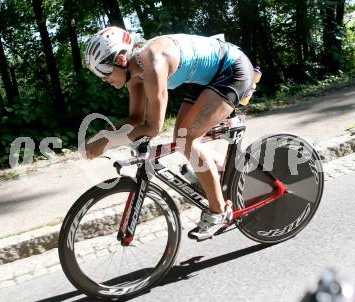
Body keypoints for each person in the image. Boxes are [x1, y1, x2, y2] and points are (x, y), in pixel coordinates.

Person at [84, 26, 254, 240]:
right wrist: (102, 136)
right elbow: (136, 119)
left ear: (120, 59)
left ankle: (219, 212)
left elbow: (153, 127)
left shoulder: (153, 63)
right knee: (181, 138)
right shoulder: (133, 74)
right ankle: (215, 174)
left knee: (187, 139)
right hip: (208, 77)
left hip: (232, 70)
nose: (103, 79)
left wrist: (107, 143)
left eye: (104, 72)